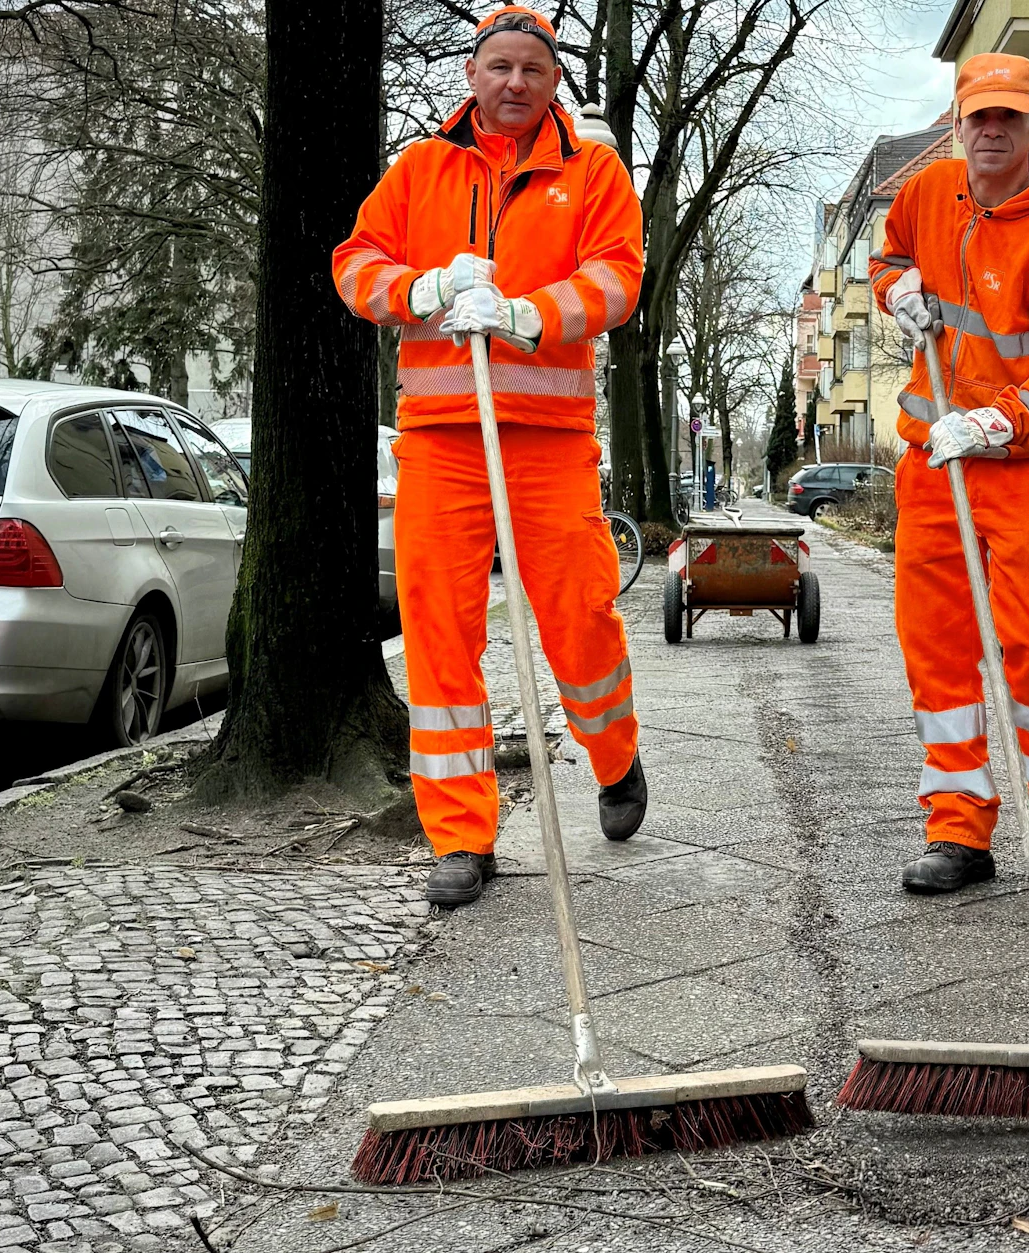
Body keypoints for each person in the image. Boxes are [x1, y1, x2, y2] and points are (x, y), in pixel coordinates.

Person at [333, 4, 646, 909]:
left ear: (555, 84)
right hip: (442, 443)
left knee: (581, 621)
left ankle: (616, 756)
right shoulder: (421, 169)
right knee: (439, 635)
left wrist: (525, 313)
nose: (514, 83)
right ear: (471, 76)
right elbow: (354, 262)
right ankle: (461, 836)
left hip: (548, 446)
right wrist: (419, 287)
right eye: (499, 67)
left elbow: (618, 278)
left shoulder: (593, 172)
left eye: (533, 70)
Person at [869, 53, 1029, 894]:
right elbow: (889, 257)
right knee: (937, 650)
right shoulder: (928, 195)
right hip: (932, 463)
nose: (994, 130)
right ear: (959, 123)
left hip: (1022, 470)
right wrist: (895, 289)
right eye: (980, 117)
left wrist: (994, 422)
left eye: (1011, 116)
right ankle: (959, 830)